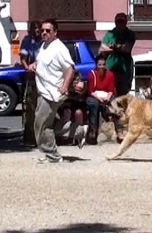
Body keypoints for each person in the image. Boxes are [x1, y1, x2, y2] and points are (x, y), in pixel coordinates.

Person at [32, 19, 77, 163]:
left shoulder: (59, 48)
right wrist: (34, 65)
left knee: (42, 124)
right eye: (42, 30)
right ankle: (77, 131)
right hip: (43, 91)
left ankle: (53, 154)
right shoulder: (44, 46)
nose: (44, 33)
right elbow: (42, 63)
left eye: (48, 31)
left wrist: (65, 86)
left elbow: (70, 68)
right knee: (44, 124)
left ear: (55, 32)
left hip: (52, 92)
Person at [99, 12, 135, 142]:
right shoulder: (110, 33)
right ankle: (117, 129)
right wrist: (115, 48)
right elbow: (102, 47)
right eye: (118, 21)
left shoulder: (130, 34)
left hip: (124, 70)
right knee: (111, 98)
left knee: (123, 100)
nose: (120, 24)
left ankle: (123, 129)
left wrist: (114, 47)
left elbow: (127, 48)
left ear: (125, 22)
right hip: (111, 70)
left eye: (122, 21)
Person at [19, 20, 42, 146]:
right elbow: (23, 58)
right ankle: (29, 137)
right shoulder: (28, 40)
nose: (37, 30)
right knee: (30, 107)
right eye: (35, 28)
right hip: (32, 77)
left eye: (39, 28)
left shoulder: (45, 41)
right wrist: (28, 68)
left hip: (44, 77)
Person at [85, 55, 116, 144]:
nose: (101, 67)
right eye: (99, 65)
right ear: (96, 65)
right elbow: (90, 91)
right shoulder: (92, 74)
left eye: (103, 65)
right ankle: (93, 130)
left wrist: (107, 98)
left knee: (115, 104)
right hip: (94, 96)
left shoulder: (110, 75)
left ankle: (119, 130)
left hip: (106, 96)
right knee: (94, 104)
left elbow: (111, 90)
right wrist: (99, 99)